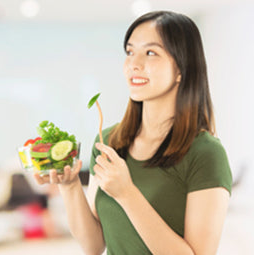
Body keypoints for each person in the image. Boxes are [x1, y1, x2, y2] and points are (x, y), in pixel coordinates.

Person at [34, 11, 232, 255]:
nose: (133, 64)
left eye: (150, 53)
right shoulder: (109, 142)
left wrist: (127, 194)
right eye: (130, 52)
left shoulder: (206, 153)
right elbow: (94, 245)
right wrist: (70, 185)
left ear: (181, 69)